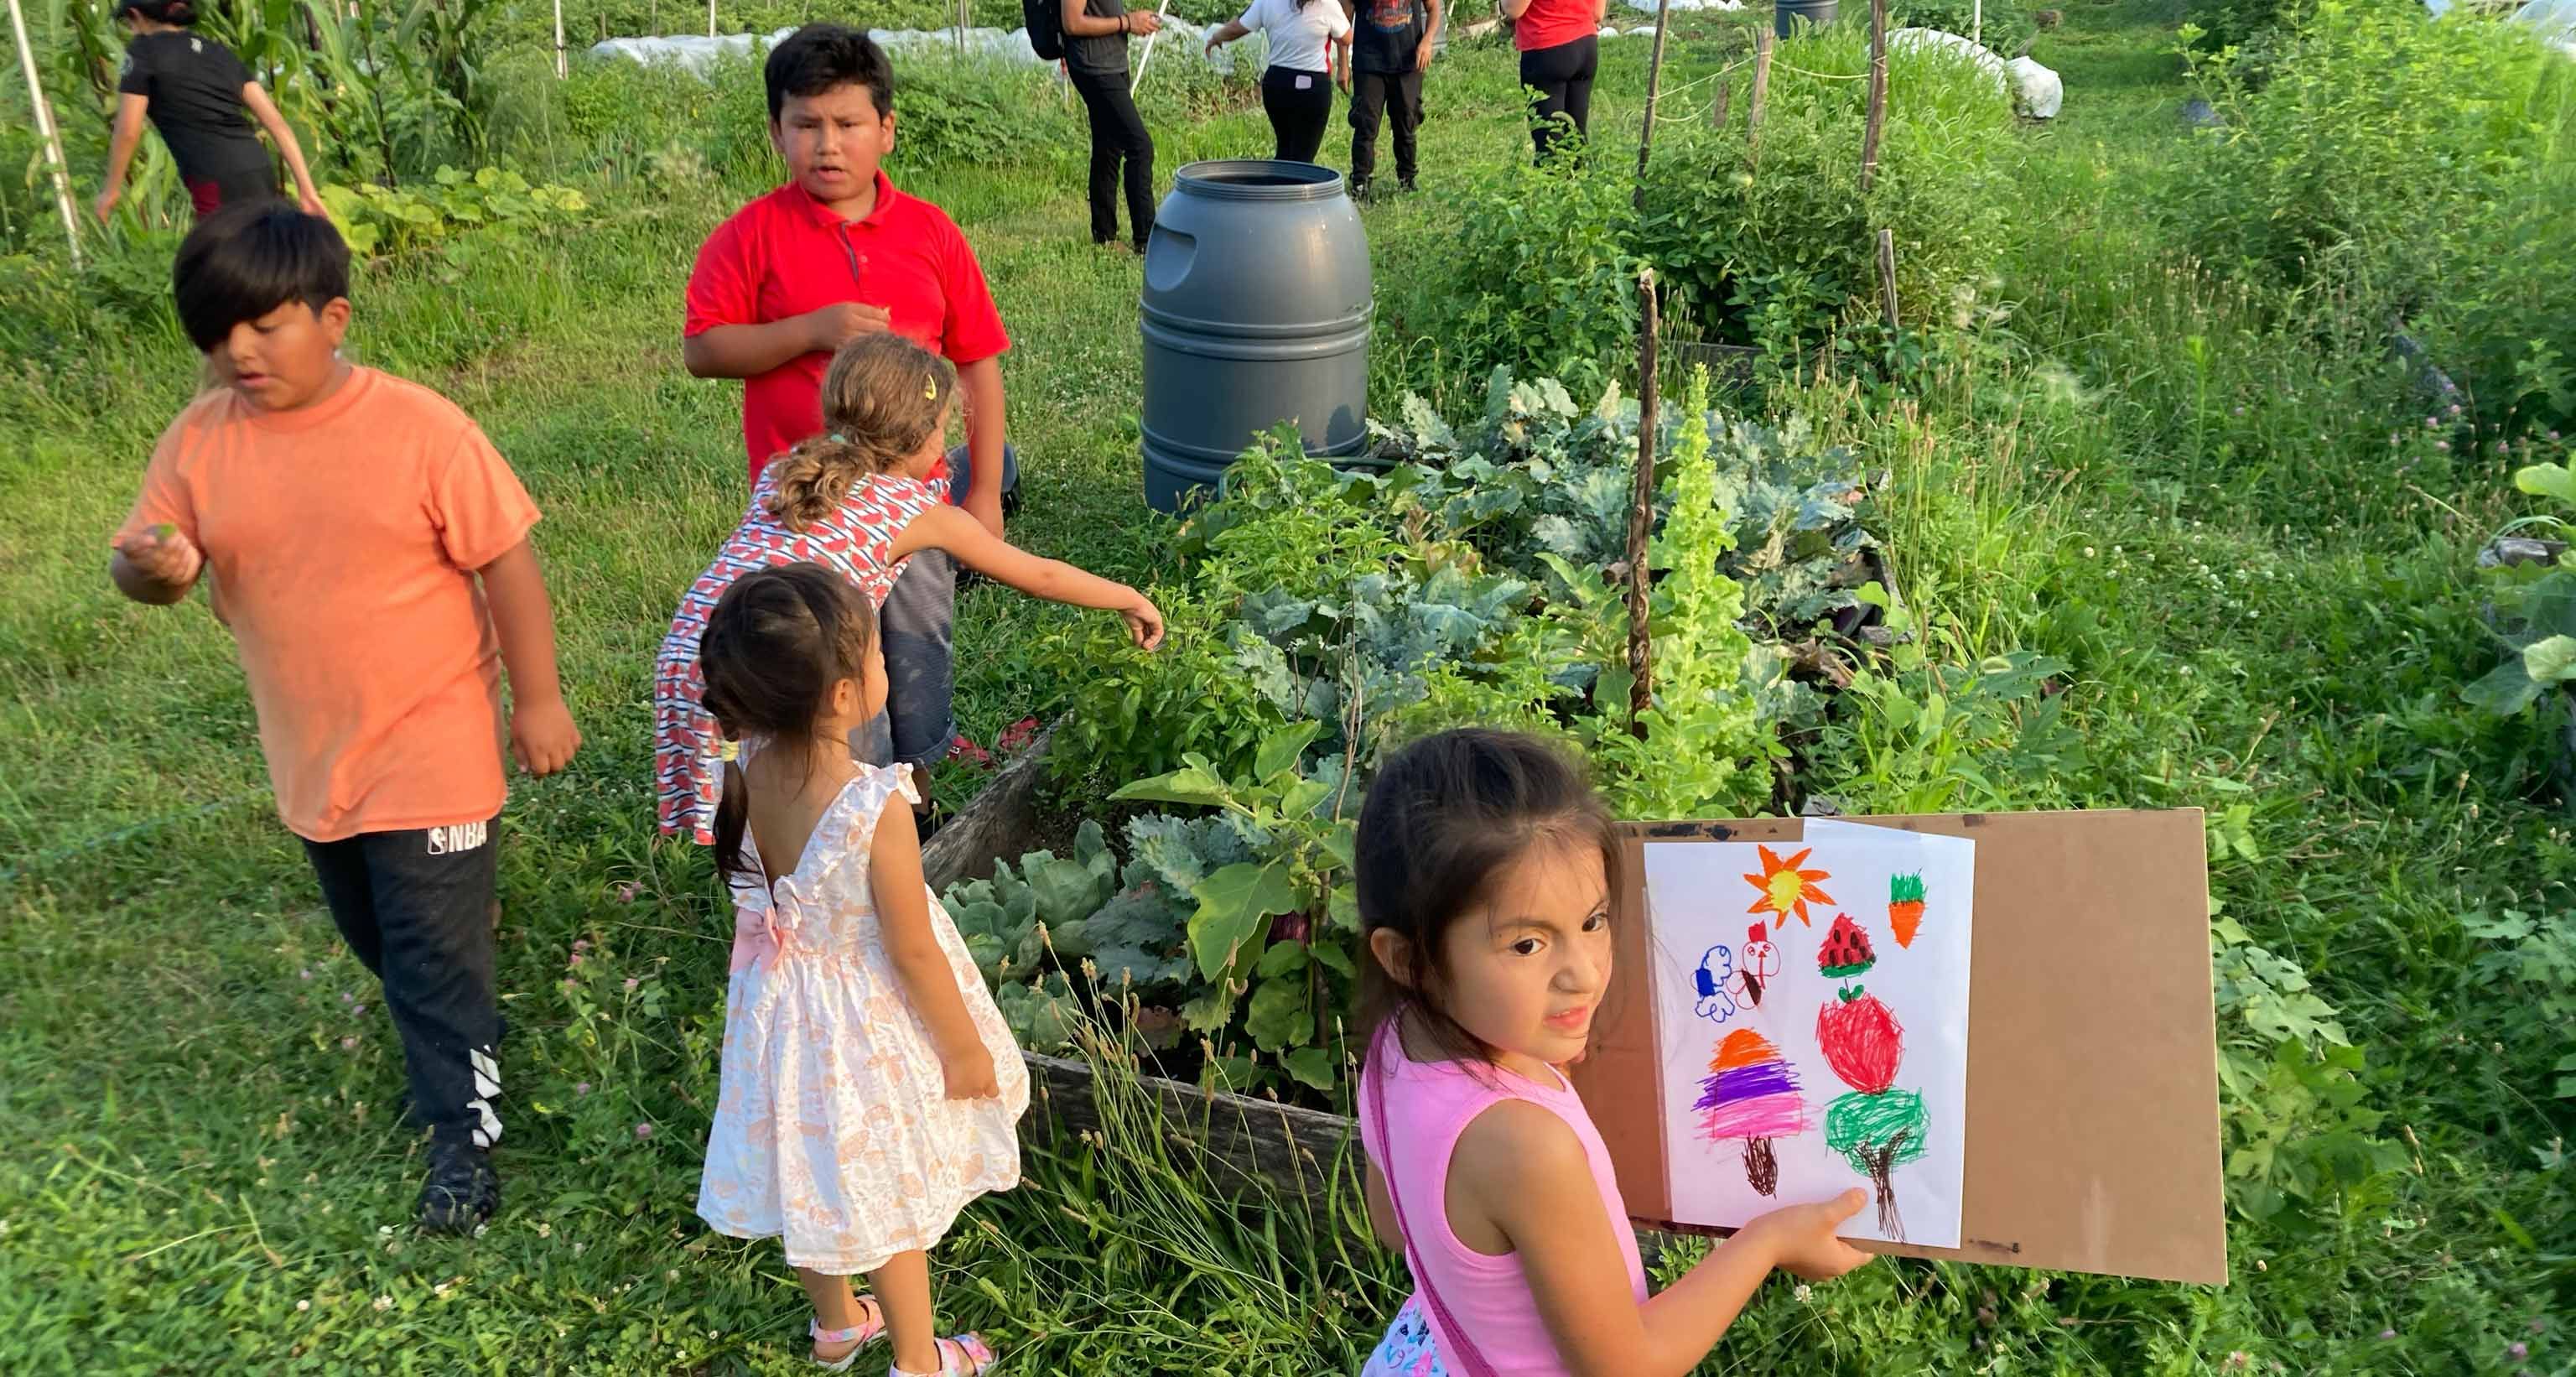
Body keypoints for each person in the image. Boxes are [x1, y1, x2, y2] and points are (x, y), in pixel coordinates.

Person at [107, 204, 580, 1234]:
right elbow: (146, 564)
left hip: (435, 745)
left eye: (263, 325)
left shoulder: (421, 429)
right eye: (216, 332)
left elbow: (507, 561)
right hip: (315, 760)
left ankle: (464, 1138)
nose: (238, 350)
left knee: (430, 954)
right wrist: (152, 568)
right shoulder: (199, 441)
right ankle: (458, 1029)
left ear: (333, 318)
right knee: (382, 939)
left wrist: (538, 699)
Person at [1351, 729, 1872, 1375]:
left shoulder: (1394, 1045)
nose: (1586, 974)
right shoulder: (1526, 1146)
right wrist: (1766, 1242)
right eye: (1527, 945)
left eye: (1593, 922)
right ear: (1408, 959)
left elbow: (1395, 1226)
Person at [693, 564, 1026, 1375]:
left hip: (779, 1012)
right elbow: (911, 948)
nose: (886, 664)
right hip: (861, 1027)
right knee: (884, 1194)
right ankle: (919, 1359)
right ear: (845, 695)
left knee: (807, 1173)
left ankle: (838, 1323)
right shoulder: (873, 805)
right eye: (878, 654)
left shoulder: (736, 773)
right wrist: (962, 1049)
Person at [656, 334, 1164, 845]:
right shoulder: (915, 511)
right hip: (791, 659)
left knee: (759, 802)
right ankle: (878, 858)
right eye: (943, 427)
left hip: (698, 646)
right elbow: (1040, 576)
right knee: (849, 795)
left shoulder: (792, 470)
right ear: (922, 437)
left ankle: (765, 872)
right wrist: (1129, 597)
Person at [684, 23, 1024, 778]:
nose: (828, 145)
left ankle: (923, 773)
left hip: (917, 503)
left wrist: (984, 493)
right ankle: (854, 792)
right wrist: (810, 330)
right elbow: (704, 349)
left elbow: (978, 362)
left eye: (848, 123)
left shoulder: (930, 232)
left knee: (919, 641)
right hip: (812, 514)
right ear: (776, 132)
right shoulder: (750, 237)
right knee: (834, 667)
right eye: (806, 125)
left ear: (887, 130)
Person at [95, 0, 325, 222]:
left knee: (217, 248)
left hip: (215, 176)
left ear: (136, 15)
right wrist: (307, 191)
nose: (132, 30)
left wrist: (111, 191)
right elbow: (277, 123)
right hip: (258, 167)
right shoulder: (218, 52)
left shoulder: (143, 51)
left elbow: (128, 131)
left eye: (129, 23)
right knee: (262, 243)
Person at [1058, 0, 1161, 252]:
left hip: (1112, 64)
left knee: (1108, 147)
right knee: (1140, 146)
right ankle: (1146, 241)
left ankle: (1104, 237)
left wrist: (1136, 21)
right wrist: (1128, 22)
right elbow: (1072, 23)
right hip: (1095, 68)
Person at [1204, 0, 1354, 164]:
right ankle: (1296, 179)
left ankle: (1278, 177)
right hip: (1312, 87)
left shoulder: (1267, 2)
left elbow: (1237, 27)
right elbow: (1346, 38)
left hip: (1278, 83)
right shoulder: (1327, 4)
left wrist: (1216, 37)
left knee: (1285, 148)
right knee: (1304, 156)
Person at [1346, 0, 1441, 200]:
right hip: (1368, 62)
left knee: (1407, 123)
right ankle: (1360, 183)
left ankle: (1407, 181)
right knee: (1365, 125)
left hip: (1408, 61)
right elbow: (1344, 19)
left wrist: (1428, 41)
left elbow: (1434, 8)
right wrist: (1343, 63)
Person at [1505, 0, 1608, 164]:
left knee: (1549, 145)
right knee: (1576, 138)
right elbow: (1598, 14)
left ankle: (1552, 179)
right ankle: (1580, 178)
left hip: (1548, 47)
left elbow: (1513, 9)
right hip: (1586, 44)